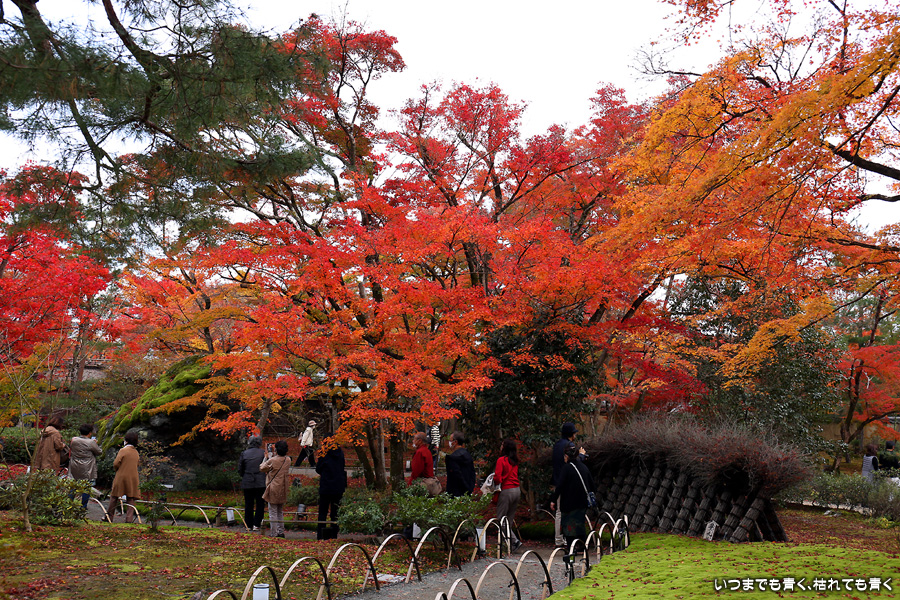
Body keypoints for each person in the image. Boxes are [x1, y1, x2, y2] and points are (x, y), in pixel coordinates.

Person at [549, 442, 596, 556]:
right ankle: (582, 546)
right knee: (580, 524)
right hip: (582, 502)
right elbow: (592, 485)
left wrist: (553, 500)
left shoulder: (566, 468)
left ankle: (571, 548)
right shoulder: (583, 467)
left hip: (568, 503)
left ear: (566, 456)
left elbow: (559, 486)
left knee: (568, 526)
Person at [551, 422, 578, 547]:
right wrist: (581, 455)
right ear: (571, 434)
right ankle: (569, 539)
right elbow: (575, 461)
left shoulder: (557, 445)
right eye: (574, 433)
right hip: (567, 482)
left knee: (559, 512)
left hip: (557, 481)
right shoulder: (569, 446)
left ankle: (558, 539)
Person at [315, 438, 347, 540]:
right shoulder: (340, 453)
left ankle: (320, 535)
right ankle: (334, 534)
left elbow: (318, 468)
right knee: (335, 512)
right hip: (338, 486)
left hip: (326, 485)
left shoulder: (323, 453)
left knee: (323, 512)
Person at [106, 430, 140, 523]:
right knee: (131, 498)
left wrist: (118, 469)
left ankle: (109, 517)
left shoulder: (123, 450)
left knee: (114, 496)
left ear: (126, 440)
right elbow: (137, 464)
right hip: (133, 477)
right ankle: (129, 519)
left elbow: (116, 463)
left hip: (121, 475)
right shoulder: (136, 452)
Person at [494, 438, 522, 552]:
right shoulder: (515, 461)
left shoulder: (501, 460)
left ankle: (514, 541)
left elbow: (497, 477)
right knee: (509, 520)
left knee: (501, 519)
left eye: (502, 445)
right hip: (517, 490)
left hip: (506, 490)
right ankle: (509, 544)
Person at [260, 440, 291, 538]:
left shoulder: (273, 460)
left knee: (273, 511)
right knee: (280, 511)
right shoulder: (288, 460)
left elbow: (262, 468)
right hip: (283, 487)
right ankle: (281, 531)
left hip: (273, 487)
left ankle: (274, 533)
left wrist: (266, 457)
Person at [69, 424, 102, 508]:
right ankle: (83, 506)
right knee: (87, 486)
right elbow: (99, 452)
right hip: (87, 467)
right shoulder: (91, 442)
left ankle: (69, 503)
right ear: (90, 433)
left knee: (74, 485)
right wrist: (95, 443)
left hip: (74, 465)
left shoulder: (74, 440)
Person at [239, 435, 267, 531]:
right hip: (261, 481)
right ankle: (257, 524)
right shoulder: (263, 453)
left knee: (248, 503)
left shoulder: (244, 453)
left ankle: (248, 524)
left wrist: (244, 475)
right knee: (260, 503)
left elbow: (240, 468)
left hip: (247, 480)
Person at [445, 431, 476, 497]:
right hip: (468, 490)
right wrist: (469, 489)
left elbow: (456, 475)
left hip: (455, 492)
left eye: (450, 440)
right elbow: (472, 473)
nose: (449, 443)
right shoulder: (467, 455)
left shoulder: (452, 458)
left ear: (455, 442)